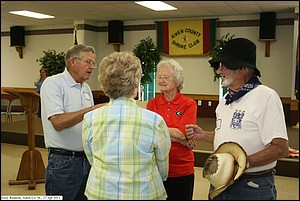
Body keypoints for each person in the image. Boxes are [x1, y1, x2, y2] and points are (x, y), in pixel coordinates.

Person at [185, 38, 289, 200]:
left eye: (224, 66)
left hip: (252, 187)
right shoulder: (226, 99)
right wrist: (203, 135)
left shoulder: (265, 96)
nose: (219, 71)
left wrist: (242, 163)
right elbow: (231, 135)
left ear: (242, 69)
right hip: (220, 183)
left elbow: (280, 148)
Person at [82, 51, 171, 200]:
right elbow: (162, 165)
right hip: (143, 192)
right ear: (136, 84)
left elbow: (91, 157)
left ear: (104, 84)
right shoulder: (154, 121)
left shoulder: (90, 119)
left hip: (101, 192)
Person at [40, 44, 105, 200]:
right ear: (73, 62)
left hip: (86, 160)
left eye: (93, 63)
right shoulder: (53, 84)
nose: (92, 67)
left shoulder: (86, 88)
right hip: (63, 162)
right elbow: (58, 122)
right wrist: (93, 109)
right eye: (88, 62)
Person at [146, 59, 198, 200]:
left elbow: (182, 134)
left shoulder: (189, 104)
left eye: (166, 77)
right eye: (159, 77)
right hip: (156, 169)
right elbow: (149, 132)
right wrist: (182, 140)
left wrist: (159, 129)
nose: (161, 80)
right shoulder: (152, 103)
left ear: (177, 80)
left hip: (182, 169)